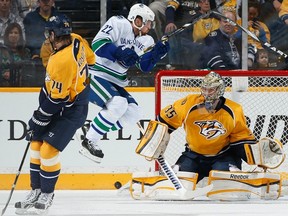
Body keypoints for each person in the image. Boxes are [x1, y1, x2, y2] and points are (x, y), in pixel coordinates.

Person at [14, 14, 95, 215]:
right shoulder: (77, 39)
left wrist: (36, 118)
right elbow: (91, 61)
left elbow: (56, 100)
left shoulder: (60, 61)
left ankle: (47, 194)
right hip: (64, 102)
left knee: (48, 150)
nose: (46, 37)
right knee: (35, 144)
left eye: (48, 33)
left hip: (71, 110)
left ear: (53, 34)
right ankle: (36, 190)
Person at [79, 3, 170, 163]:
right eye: (148, 22)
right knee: (119, 104)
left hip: (115, 81)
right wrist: (119, 53)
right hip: (94, 74)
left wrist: (156, 53)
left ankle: (93, 130)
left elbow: (144, 66)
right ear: (138, 19)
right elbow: (98, 45)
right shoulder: (118, 23)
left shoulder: (146, 39)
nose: (150, 26)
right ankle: (89, 140)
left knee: (134, 113)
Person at [156, 71, 257, 182]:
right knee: (179, 180)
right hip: (193, 156)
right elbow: (163, 122)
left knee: (225, 182)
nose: (207, 93)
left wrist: (257, 159)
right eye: (204, 89)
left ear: (219, 90)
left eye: (211, 90)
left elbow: (241, 139)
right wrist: (153, 141)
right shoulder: (189, 103)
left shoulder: (234, 110)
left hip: (223, 156)